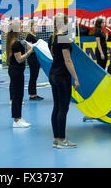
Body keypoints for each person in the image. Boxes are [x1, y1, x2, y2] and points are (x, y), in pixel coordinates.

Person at [49, 13, 79, 149]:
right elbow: (68, 61)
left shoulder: (53, 37)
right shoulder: (64, 38)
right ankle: (62, 139)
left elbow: (57, 54)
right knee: (63, 108)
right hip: (62, 76)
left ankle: (56, 139)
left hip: (53, 74)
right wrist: (76, 77)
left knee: (56, 106)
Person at [6, 21, 34, 128]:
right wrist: (30, 52)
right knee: (17, 95)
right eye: (20, 27)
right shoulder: (16, 43)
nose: (22, 29)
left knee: (18, 94)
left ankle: (18, 117)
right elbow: (19, 59)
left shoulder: (14, 42)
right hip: (16, 71)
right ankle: (17, 120)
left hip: (15, 71)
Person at [25, 20, 43, 101]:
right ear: (31, 26)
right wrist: (37, 48)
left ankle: (34, 93)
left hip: (36, 58)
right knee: (33, 76)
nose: (36, 26)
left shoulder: (35, 35)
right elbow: (29, 48)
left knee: (35, 76)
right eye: (35, 25)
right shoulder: (29, 36)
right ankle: (32, 94)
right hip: (32, 58)